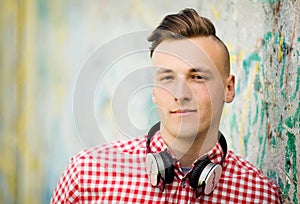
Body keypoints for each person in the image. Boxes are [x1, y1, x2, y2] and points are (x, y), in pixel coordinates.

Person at [51, 8, 281, 203]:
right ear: (154, 91)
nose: (180, 94)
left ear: (228, 88)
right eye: (167, 78)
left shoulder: (261, 196)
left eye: (197, 76)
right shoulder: (87, 174)